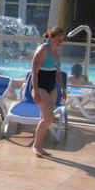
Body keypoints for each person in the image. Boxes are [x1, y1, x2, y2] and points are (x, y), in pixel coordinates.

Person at [31, 26, 66, 158]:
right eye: (59, 39)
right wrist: (35, 91)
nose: (60, 42)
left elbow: (57, 73)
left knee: (45, 118)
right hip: (40, 86)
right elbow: (34, 73)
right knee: (48, 117)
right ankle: (36, 146)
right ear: (51, 36)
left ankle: (39, 146)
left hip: (51, 87)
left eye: (62, 40)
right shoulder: (42, 50)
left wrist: (63, 88)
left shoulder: (55, 52)